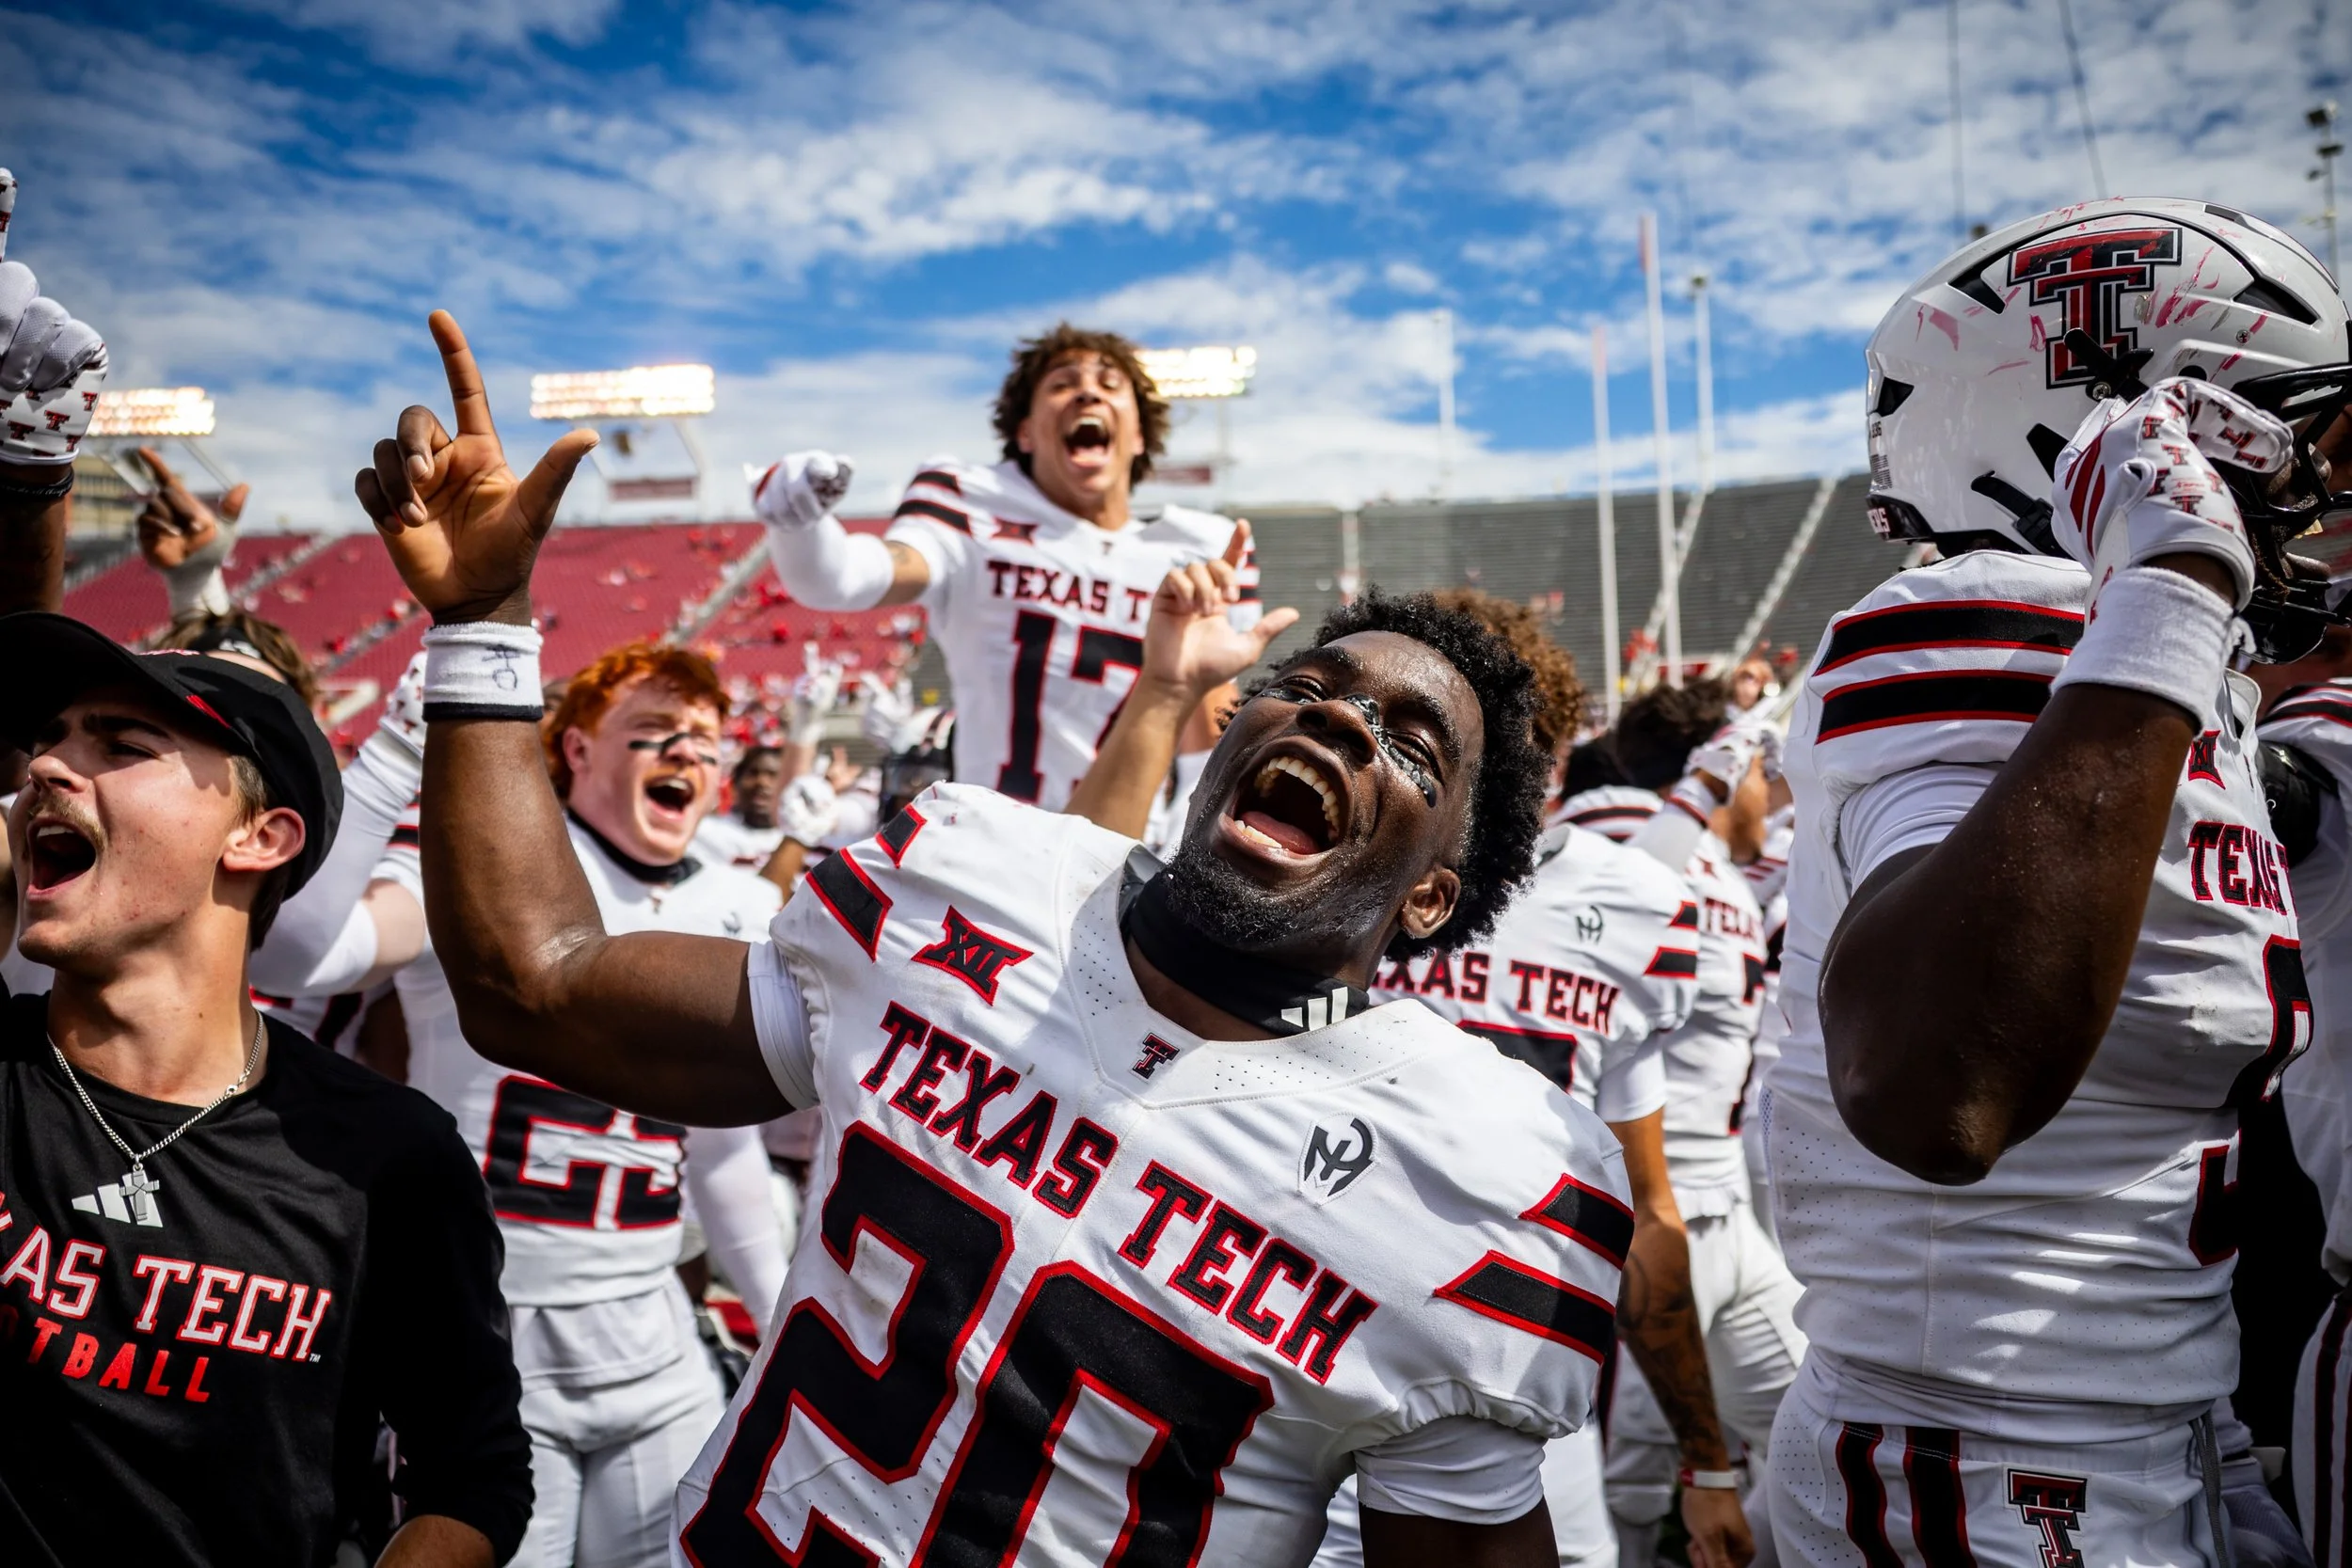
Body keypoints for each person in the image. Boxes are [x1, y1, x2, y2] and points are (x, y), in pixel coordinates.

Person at [352, 309, 1643, 1566]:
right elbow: (536, 983)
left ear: (1432, 894)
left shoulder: (1470, 1175)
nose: (1339, 720)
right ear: (1230, 735)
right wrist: (483, 626)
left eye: (1408, 742)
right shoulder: (978, 880)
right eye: (1305, 685)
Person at [1768, 198, 2352, 1566]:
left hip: (2145, 1410)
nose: (2316, 500)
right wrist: (2174, 586)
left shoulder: (2161, 673)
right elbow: (1935, 1086)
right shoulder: (2010, 621)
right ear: (2127, 427)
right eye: (2280, 441)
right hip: (1992, 1453)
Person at [0, 611, 531, 1567]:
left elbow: (472, 1476)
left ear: (258, 835)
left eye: (121, 743)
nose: (47, 765)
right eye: (47, 740)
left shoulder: (381, 1157)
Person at [270, 639, 794, 1568]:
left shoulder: (742, 899)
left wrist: (785, 1328)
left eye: (706, 741)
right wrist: (396, 745)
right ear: (578, 745)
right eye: (655, 732)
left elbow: (721, 1152)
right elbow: (298, 956)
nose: (688, 755)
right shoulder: (484, 865)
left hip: (655, 1339)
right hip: (490, 1339)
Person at [751, 322, 1259, 809]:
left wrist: (1180, 851)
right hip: (990, 846)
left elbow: (1205, 739)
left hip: (1125, 853)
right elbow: (844, 579)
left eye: (1109, 383)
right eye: (1063, 384)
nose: (1087, 394)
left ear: (1140, 435)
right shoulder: (975, 511)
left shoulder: (1196, 548)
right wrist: (799, 525)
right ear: (1025, 432)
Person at [1556, 687, 1805, 1568]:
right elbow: (1625, 911)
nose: (1772, 794)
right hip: (1647, 1222)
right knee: (1626, 1481)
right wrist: (1705, 784)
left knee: (1811, 1430)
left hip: (1724, 1208)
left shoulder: (1731, 872)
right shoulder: (1627, 840)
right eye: (1758, 776)